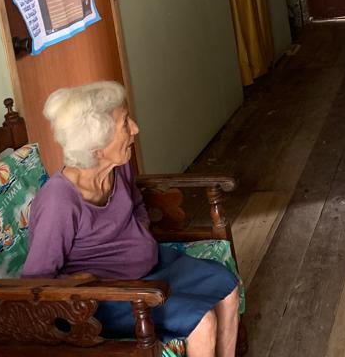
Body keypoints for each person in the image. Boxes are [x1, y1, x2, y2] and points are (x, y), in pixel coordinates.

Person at [21, 82, 240, 357]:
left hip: (153, 268)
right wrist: (82, 283)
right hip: (110, 299)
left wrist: (139, 236)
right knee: (203, 322)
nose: (135, 128)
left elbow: (137, 205)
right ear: (97, 148)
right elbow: (36, 280)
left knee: (227, 286)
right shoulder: (58, 201)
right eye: (125, 123)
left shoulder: (118, 166)